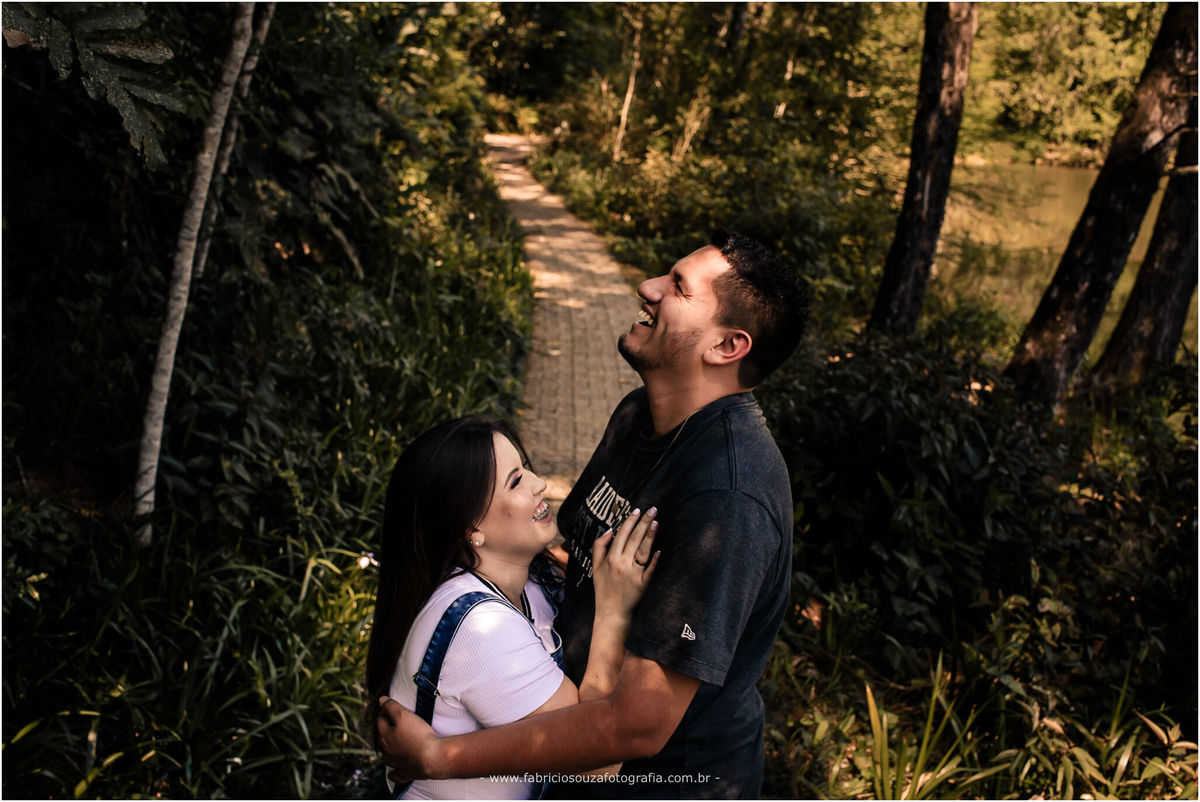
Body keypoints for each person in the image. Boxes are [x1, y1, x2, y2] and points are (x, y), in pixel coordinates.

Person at [377, 231, 809, 799]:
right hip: (566, 736)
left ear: (727, 347)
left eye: (677, 288)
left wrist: (437, 756)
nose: (647, 287)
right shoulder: (638, 415)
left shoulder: (727, 496)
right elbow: (585, 551)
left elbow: (639, 723)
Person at [365, 416, 661, 799]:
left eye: (527, 468)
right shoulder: (481, 628)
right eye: (516, 480)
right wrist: (613, 610)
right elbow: (598, 763)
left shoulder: (530, 580)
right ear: (470, 527)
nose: (540, 484)